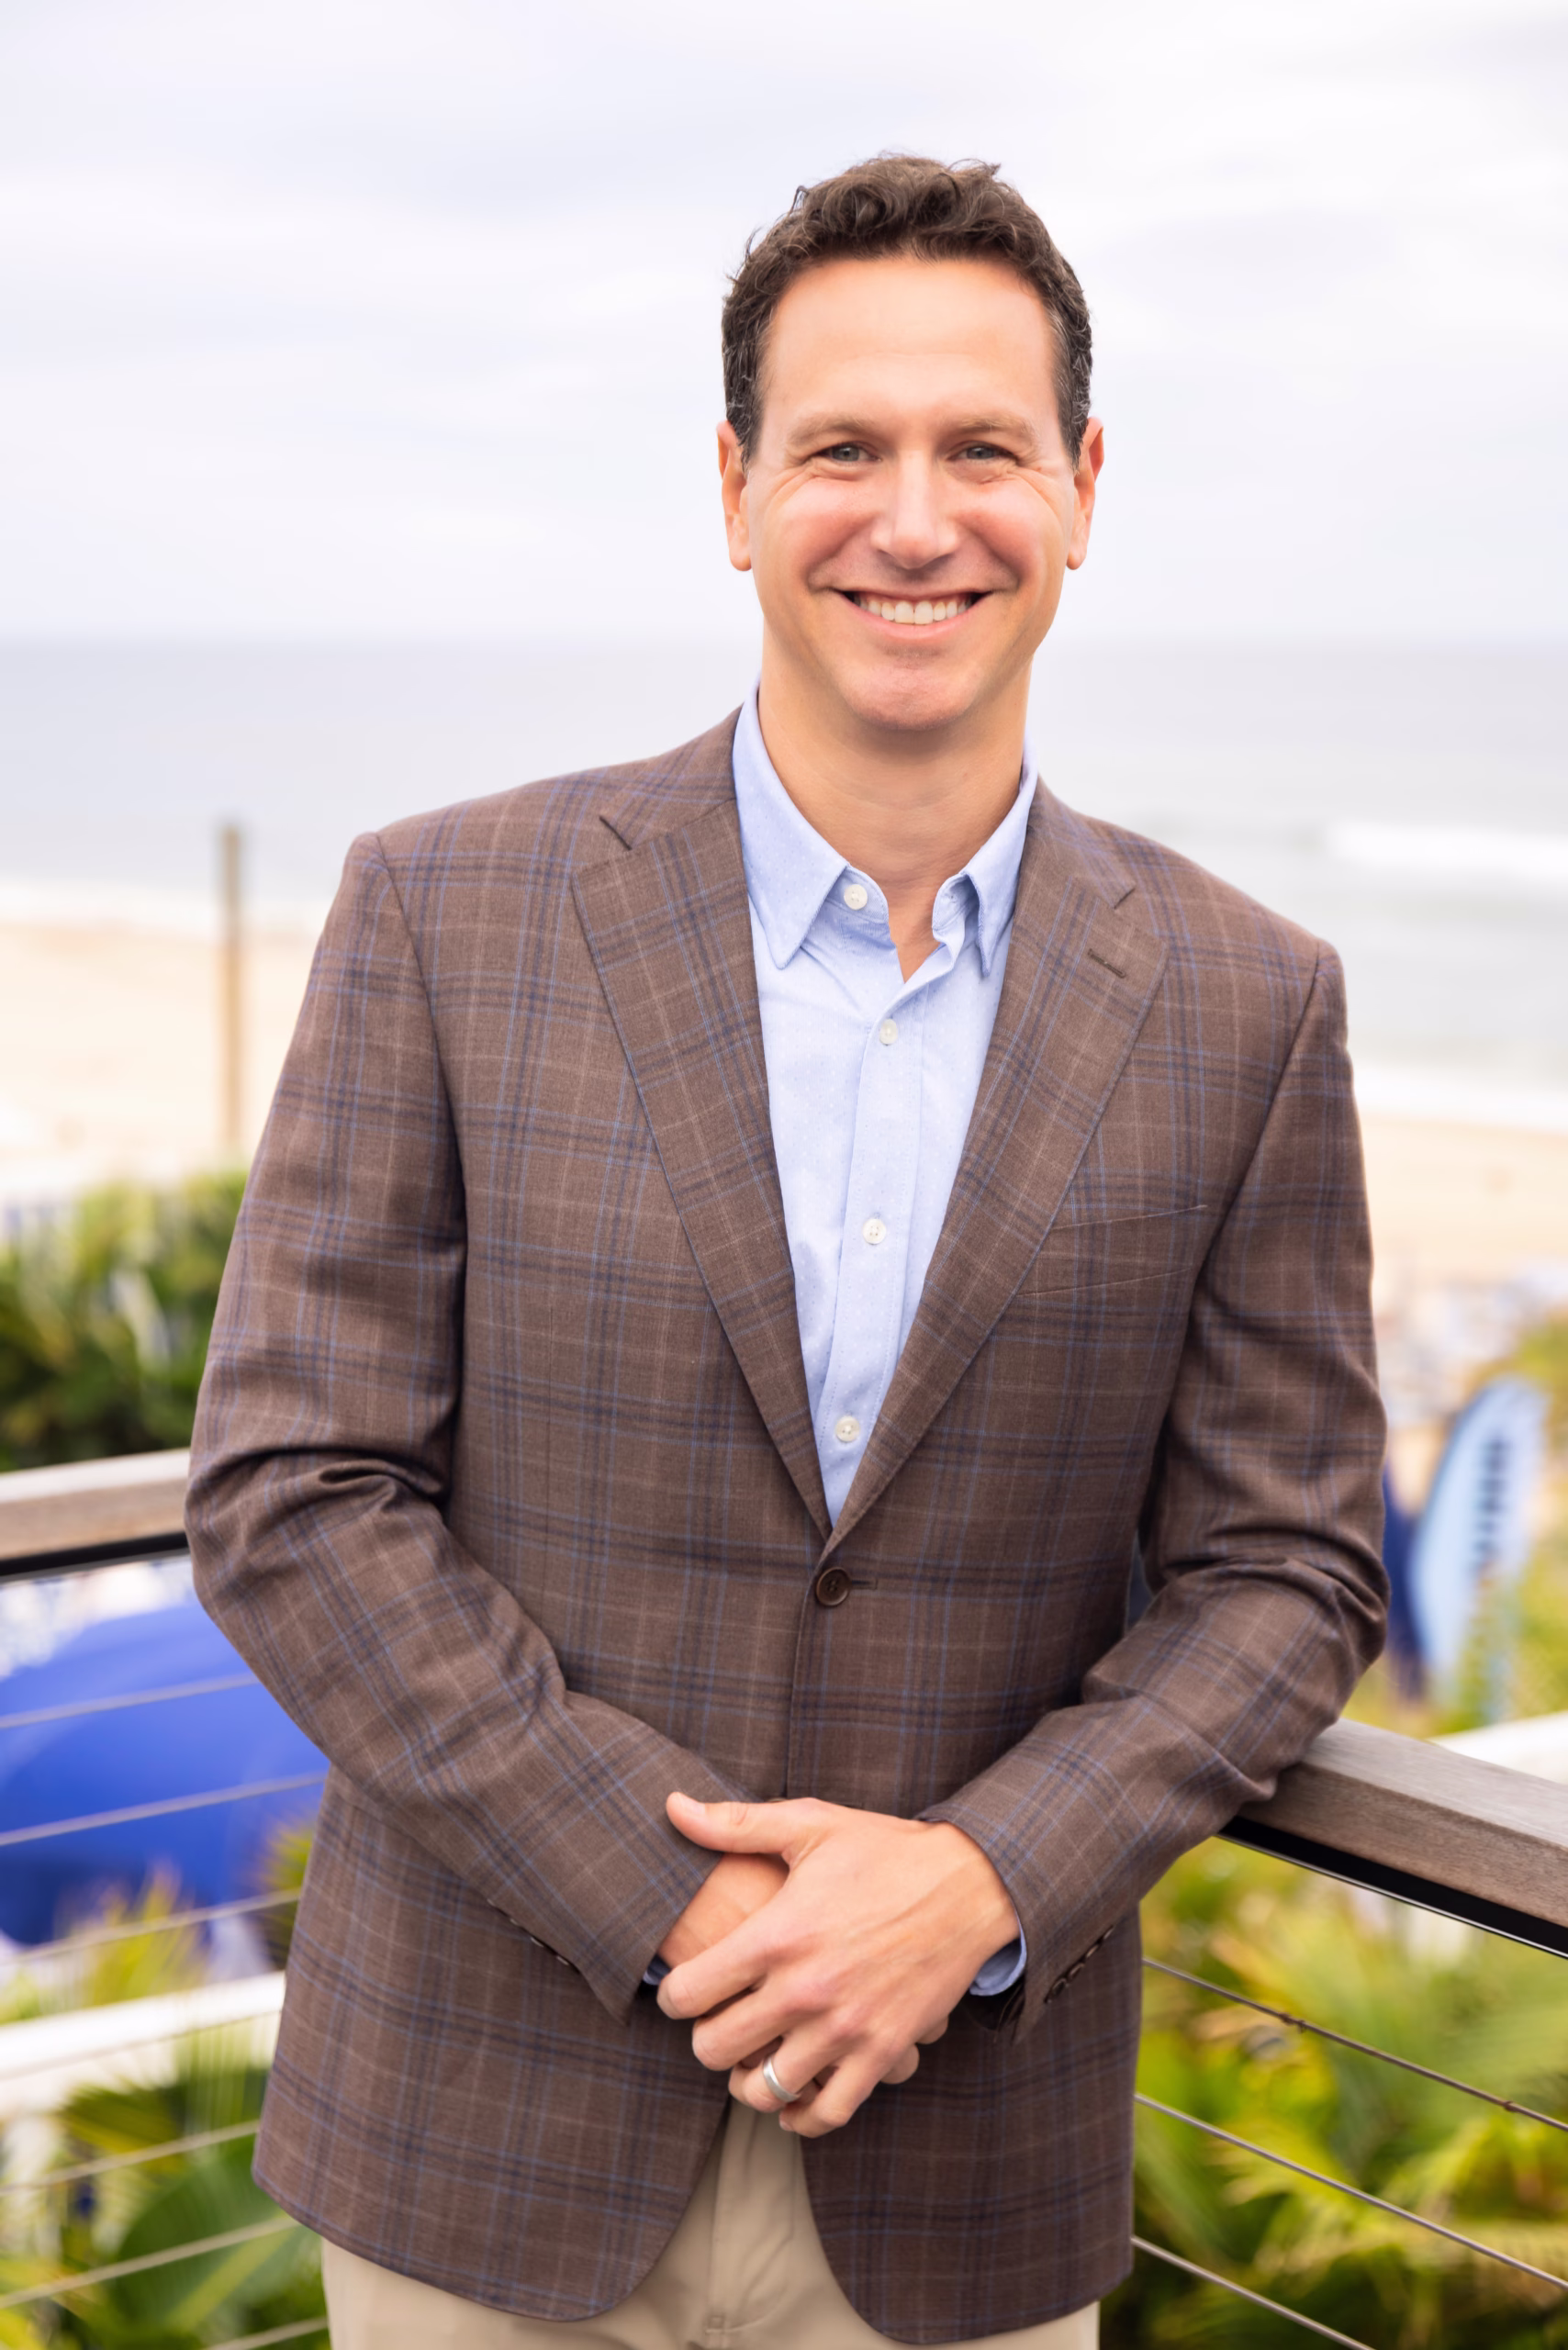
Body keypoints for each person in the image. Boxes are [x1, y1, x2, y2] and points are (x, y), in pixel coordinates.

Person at [187, 154, 1386, 2348]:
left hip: (966, 2168)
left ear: (1081, 488)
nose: (912, 520)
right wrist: (680, 1899)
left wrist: (978, 1877)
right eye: (842, 448)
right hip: (476, 2147)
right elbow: (294, 1488)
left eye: (979, 449)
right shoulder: (445, 911)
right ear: (735, 488)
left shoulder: (1247, 999)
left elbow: (1284, 1568)